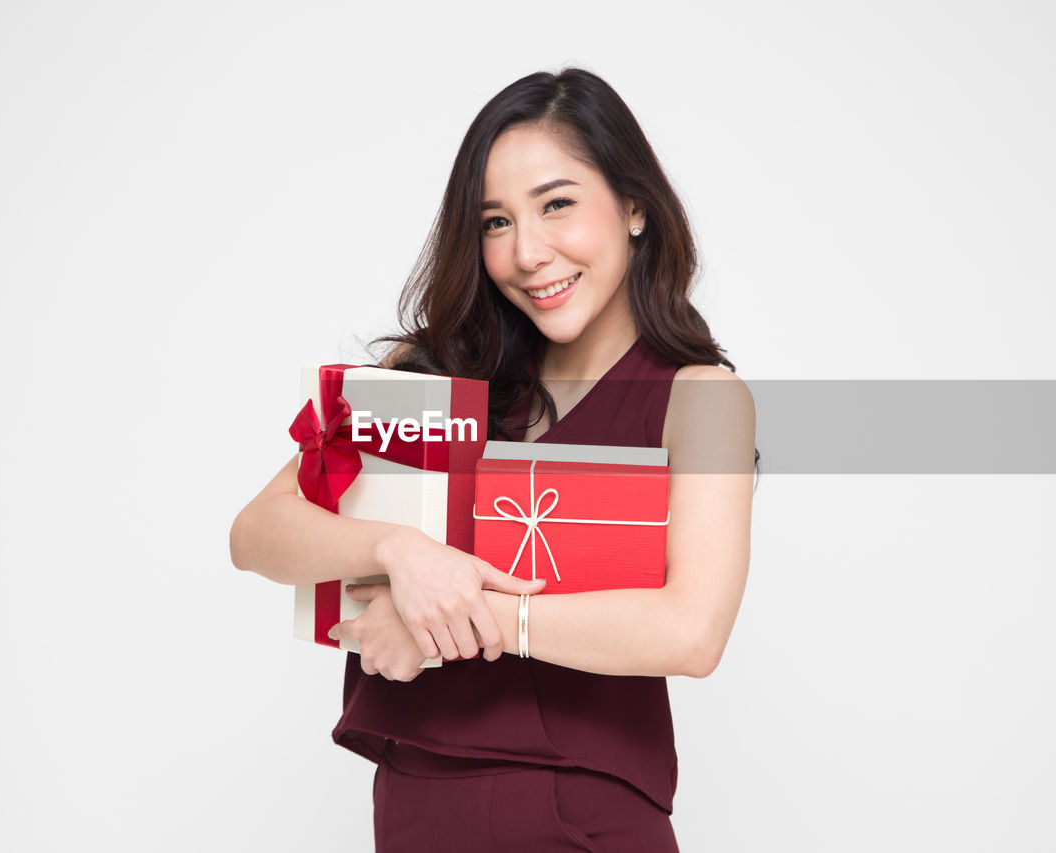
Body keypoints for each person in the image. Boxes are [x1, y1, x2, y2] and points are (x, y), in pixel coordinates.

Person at [230, 66, 756, 852]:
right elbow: (258, 531)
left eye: (557, 204)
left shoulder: (699, 396)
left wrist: (451, 620)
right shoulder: (430, 379)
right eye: (496, 222)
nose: (528, 252)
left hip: (583, 817)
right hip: (414, 805)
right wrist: (398, 552)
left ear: (635, 204)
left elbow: (692, 631)